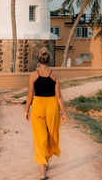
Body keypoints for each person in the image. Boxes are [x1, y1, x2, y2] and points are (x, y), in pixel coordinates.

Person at [25, 48, 67, 180]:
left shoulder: (33, 75)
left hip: (37, 106)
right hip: (52, 106)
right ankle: (46, 160)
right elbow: (58, 95)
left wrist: (26, 110)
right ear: (49, 60)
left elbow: (30, 96)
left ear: (38, 60)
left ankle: (43, 173)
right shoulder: (54, 75)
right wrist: (64, 112)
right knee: (50, 135)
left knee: (39, 138)